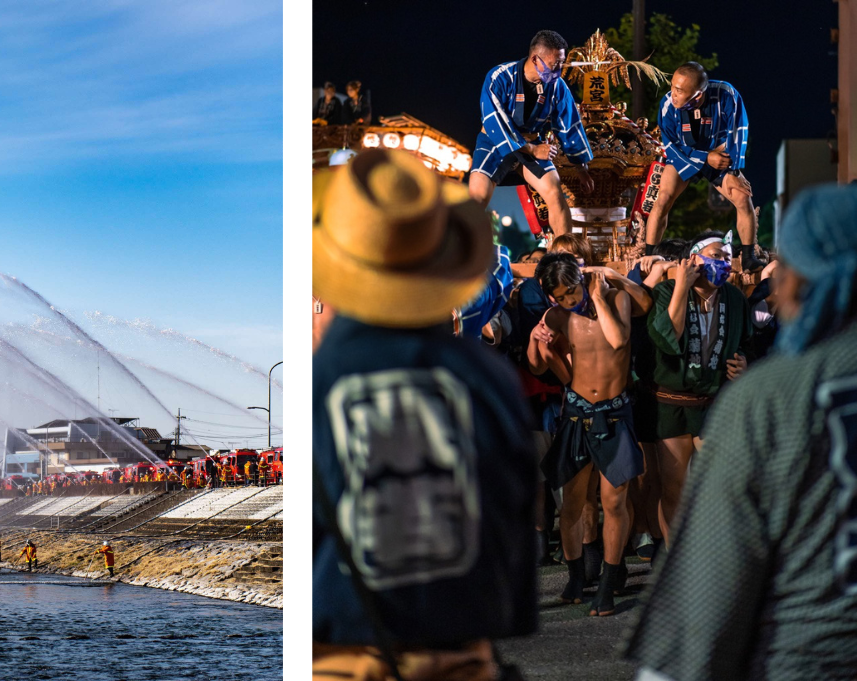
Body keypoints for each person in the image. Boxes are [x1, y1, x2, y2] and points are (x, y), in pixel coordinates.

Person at [314, 150, 537, 679]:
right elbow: (514, 504)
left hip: (346, 654)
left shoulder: (319, 382)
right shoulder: (488, 377)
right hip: (461, 651)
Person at [628, 184, 857, 680]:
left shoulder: (774, 396)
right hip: (677, 403)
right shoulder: (676, 294)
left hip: (810, 654)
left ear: (796, 281)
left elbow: (713, 581)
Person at [527, 254, 639, 616]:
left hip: (614, 412)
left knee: (614, 501)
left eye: (573, 292)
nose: (571, 301)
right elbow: (537, 364)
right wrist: (535, 338)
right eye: (561, 297)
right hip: (576, 412)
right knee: (572, 504)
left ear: (581, 280)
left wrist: (600, 295)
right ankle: (575, 577)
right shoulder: (557, 316)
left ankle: (607, 583)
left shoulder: (616, 299)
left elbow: (619, 340)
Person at [646, 233, 752, 545]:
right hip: (673, 402)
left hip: (714, 402)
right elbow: (667, 339)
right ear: (693, 258)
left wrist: (745, 363)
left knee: (723, 486)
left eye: (727, 257)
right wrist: (681, 286)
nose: (724, 263)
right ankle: (676, 561)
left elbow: (748, 344)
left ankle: (715, 556)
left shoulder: (735, 298)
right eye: (717, 255)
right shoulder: (666, 292)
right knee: (673, 488)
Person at [467, 30, 593, 241]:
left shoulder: (557, 87)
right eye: (555, 64)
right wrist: (533, 149)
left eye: (562, 64)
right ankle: (466, 261)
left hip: (533, 140)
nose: (560, 71)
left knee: (554, 192)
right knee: (476, 199)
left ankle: (566, 255)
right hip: (495, 141)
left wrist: (582, 168)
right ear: (536, 59)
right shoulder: (499, 77)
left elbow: (569, 126)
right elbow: (494, 121)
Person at [640, 62, 754, 254]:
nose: (673, 94)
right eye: (672, 87)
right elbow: (671, 146)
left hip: (719, 155)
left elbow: (738, 132)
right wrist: (705, 158)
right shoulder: (668, 104)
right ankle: (649, 255)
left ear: (698, 94)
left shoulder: (727, 95)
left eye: (679, 90)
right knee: (663, 199)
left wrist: (734, 170)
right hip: (684, 157)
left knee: (743, 197)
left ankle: (749, 257)